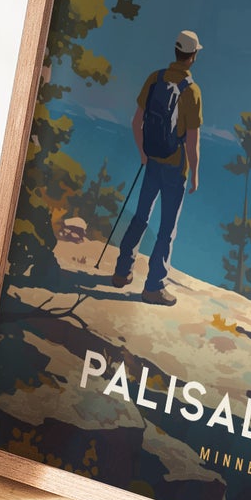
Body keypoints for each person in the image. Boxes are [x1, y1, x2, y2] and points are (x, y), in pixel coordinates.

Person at [111, 30, 204, 305]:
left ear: (176, 51)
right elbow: (192, 141)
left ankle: (121, 272)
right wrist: (195, 173)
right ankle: (153, 288)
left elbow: (136, 122)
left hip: (152, 162)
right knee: (166, 229)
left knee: (141, 216)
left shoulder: (155, 78)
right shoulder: (192, 91)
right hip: (175, 168)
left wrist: (143, 153)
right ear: (193, 56)